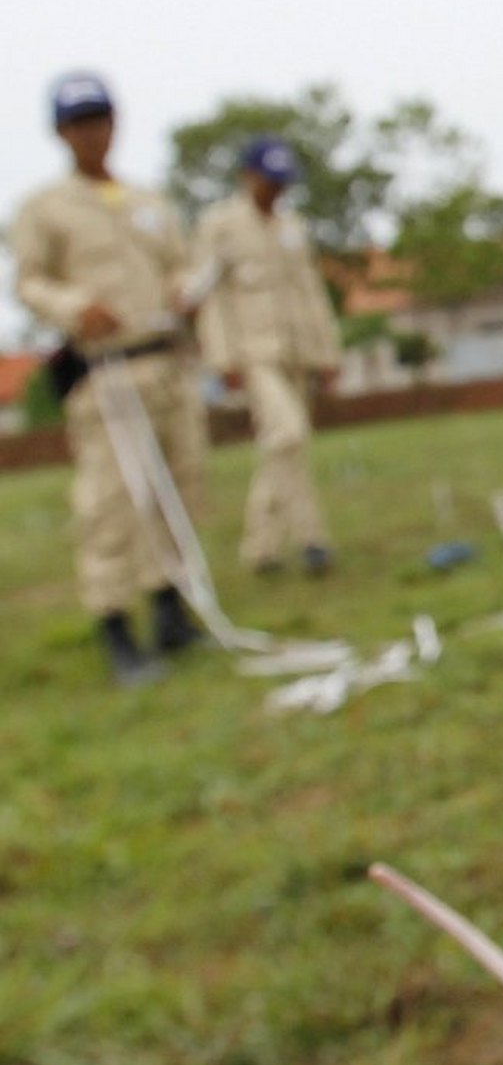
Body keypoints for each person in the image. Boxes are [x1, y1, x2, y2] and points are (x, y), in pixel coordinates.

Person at [11, 72, 206, 687]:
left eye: (100, 119)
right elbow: (28, 281)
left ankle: (170, 608)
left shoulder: (151, 203)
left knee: (180, 489)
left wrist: (185, 289)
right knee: (111, 503)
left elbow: (180, 264)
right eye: (79, 123)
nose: (92, 132)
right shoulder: (45, 210)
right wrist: (73, 308)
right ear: (62, 133)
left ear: (115, 123)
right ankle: (115, 626)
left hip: (165, 361)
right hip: (106, 372)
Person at [194, 136, 342, 576]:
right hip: (253, 355)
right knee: (290, 434)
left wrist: (327, 353)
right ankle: (312, 539)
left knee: (280, 446)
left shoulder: (293, 228)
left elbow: (312, 294)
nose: (274, 191)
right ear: (247, 176)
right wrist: (223, 361)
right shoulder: (219, 226)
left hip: (296, 353)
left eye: (281, 183)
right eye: (267, 181)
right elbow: (211, 297)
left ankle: (261, 549)